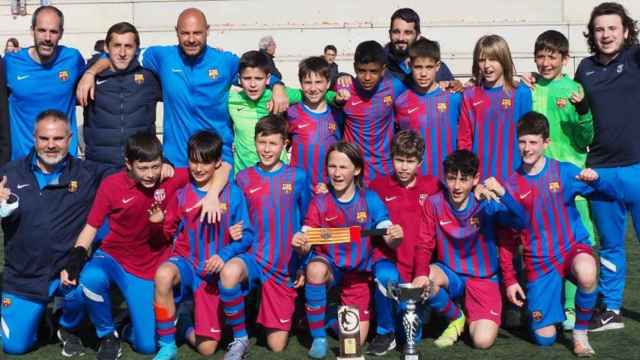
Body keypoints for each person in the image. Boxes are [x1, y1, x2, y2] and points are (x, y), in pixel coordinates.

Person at [76, 8, 289, 172]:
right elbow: (121, 53)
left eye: (197, 32)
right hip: (176, 162)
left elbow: (256, 73)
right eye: (185, 33)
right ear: (176, 32)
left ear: (207, 31)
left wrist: (277, 84)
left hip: (216, 161)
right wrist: (90, 73)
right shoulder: (161, 56)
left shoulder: (225, 61)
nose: (191, 38)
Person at [60, 134, 196, 359]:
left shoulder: (170, 178)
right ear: (128, 165)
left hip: (149, 266)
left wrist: (211, 195)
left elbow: (218, 170)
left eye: (155, 166)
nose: (151, 173)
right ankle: (107, 334)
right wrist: (73, 262)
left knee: (148, 346)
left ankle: (124, 325)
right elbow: (91, 228)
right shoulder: (111, 185)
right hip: (114, 258)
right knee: (91, 277)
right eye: (143, 168)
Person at [501, 111, 616, 356]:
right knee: (545, 339)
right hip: (539, 262)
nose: (527, 148)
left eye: (533, 142)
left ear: (546, 142)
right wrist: (510, 279)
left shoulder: (563, 172)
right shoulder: (510, 184)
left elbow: (608, 195)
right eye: (522, 141)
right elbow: (505, 238)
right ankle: (547, 307)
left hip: (571, 248)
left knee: (587, 273)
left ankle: (580, 334)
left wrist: (596, 181)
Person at [0, 110, 112, 356]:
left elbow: (133, 174)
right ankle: (43, 319)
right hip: (24, 277)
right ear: (34, 138)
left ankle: (66, 320)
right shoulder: (9, 173)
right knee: (14, 346)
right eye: (44, 139)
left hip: (67, 273)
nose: (51, 146)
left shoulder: (88, 173)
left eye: (58, 139)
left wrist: (167, 169)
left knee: (92, 279)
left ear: (70, 138)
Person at [292, 141, 403, 359]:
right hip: (330, 267)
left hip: (358, 275)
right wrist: (301, 243)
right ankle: (319, 338)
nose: (337, 173)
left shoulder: (369, 198)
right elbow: (307, 235)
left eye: (343, 167)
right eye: (332, 167)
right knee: (314, 269)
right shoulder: (320, 202)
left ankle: (328, 314)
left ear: (357, 169)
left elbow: (385, 228)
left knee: (354, 343)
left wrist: (393, 235)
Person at [152, 131, 253, 359]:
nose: (198, 168)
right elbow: (167, 233)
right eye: (193, 161)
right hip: (189, 264)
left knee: (207, 349)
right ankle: (166, 344)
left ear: (218, 163)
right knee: (164, 274)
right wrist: (158, 224)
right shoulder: (181, 195)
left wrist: (225, 254)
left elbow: (248, 236)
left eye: (205, 162)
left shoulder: (233, 195)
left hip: (215, 274)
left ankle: (184, 320)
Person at [219, 115, 310, 359]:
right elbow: (236, 218)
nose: (266, 149)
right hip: (252, 257)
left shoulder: (298, 177)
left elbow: (307, 223)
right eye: (262, 142)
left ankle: (275, 309)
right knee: (229, 274)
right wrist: (233, 229)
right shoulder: (243, 178)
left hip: (282, 264)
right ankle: (240, 337)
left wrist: (303, 262)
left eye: (273, 143)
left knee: (277, 345)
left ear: (285, 145)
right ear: (255, 142)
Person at [573, 2, 640, 331]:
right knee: (611, 246)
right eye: (600, 29)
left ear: (626, 31)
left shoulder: (635, 58)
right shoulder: (584, 68)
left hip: (638, 169)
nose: (606, 34)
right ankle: (611, 310)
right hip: (600, 171)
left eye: (613, 28)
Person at [419, 149, 526, 349]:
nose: (457, 186)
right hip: (450, 274)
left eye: (464, 179)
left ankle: (471, 310)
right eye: (451, 179)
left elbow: (522, 221)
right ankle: (456, 316)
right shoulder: (433, 203)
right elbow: (425, 244)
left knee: (482, 341)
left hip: (483, 279)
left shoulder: (485, 204)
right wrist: (419, 274)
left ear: (476, 178)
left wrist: (502, 193)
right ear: (445, 177)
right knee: (425, 277)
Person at [531, 29, 595, 331]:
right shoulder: (530, 89)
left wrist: (582, 109)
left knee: (575, 242)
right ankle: (549, 303)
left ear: (564, 59)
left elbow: (586, 137)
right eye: (541, 56)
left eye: (552, 56)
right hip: (537, 181)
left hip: (570, 180)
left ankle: (572, 306)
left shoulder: (574, 89)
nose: (545, 62)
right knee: (542, 242)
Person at [367, 130, 441, 355]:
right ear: (392, 159)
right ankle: (384, 331)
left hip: (417, 263)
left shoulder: (433, 186)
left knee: (410, 335)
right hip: (388, 259)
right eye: (399, 160)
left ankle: (421, 313)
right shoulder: (378, 186)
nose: (404, 167)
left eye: (410, 161)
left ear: (421, 161)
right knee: (385, 277)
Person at [5, 5, 85, 160]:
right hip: (23, 164)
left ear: (61, 33)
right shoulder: (11, 62)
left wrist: (90, 73)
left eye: (53, 32)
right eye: (41, 30)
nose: (47, 38)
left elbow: (110, 58)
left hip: (64, 161)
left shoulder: (72, 58)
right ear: (32, 31)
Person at [83, 22, 162, 167]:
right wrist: (90, 73)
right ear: (107, 47)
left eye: (128, 46)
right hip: (99, 167)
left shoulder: (150, 77)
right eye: (117, 45)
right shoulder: (86, 76)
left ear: (137, 49)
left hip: (141, 167)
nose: (122, 53)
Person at [458, 34, 532, 181]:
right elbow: (464, 140)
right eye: (481, 60)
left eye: (493, 59)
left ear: (504, 60)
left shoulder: (521, 93)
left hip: (516, 179)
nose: (486, 65)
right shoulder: (470, 95)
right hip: (481, 180)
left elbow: (529, 137)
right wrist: (469, 177)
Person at [337, 40, 407, 184]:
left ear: (383, 69)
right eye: (362, 71)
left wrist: (448, 83)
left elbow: (420, 95)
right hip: (353, 172)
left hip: (384, 170)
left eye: (373, 71)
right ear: (355, 67)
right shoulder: (344, 87)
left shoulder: (394, 87)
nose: (367, 77)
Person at [394, 38, 462, 178]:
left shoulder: (453, 98)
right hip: (415, 181)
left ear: (437, 66)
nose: (423, 74)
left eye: (429, 67)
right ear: (410, 65)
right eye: (418, 67)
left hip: (448, 180)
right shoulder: (401, 102)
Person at [287, 56, 343, 193]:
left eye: (318, 82)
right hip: (299, 189)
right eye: (307, 82)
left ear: (328, 83)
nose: (313, 88)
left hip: (328, 189)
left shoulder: (338, 115)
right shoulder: (291, 112)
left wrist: (332, 184)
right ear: (300, 84)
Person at [385, 8, 456, 86]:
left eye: (407, 33)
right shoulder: (379, 65)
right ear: (389, 33)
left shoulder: (435, 66)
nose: (401, 38)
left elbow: (452, 91)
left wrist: (453, 85)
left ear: (418, 35)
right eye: (396, 32)